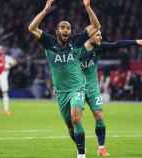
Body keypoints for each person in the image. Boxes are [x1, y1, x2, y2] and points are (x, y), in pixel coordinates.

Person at [28, 0, 100, 158]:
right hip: (61, 92)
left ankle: (81, 155)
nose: (66, 30)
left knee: (76, 118)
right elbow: (31, 28)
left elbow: (96, 26)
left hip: (77, 88)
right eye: (63, 27)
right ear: (57, 31)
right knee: (70, 127)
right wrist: (45, 10)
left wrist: (88, 8)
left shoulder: (76, 41)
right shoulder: (49, 42)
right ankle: (80, 147)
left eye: (68, 28)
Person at [81, 30, 142, 156]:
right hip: (77, 88)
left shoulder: (99, 48)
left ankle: (101, 148)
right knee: (76, 119)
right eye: (97, 35)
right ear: (89, 36)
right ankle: (80, 148)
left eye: (101, 34)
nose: (100, 37)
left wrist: (135, 42)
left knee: (99, 116)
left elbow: (116, 44)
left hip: (92, 88)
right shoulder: (76, 49)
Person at [0, 46, 17, 115]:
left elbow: (15, 62)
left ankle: (7, 110)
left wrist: (9, 65)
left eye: (1, 50)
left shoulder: (7, 58)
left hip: (3, 77)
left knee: (5, 92)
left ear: (3, 50)